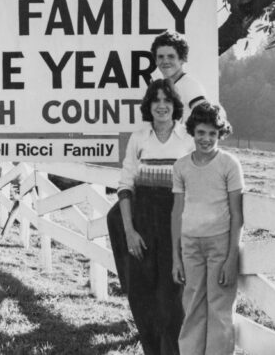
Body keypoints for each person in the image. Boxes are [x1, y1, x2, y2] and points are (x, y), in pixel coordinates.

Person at [108, 79, 194, 355]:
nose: (161, 105)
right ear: (149, 105)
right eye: (155, 100)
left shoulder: (187, 140)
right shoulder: (139, 138)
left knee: (171, 302)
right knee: (142, 298)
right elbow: (125, 186)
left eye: (167, 100)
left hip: (174, 225)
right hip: (142, 224)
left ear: (174, 105)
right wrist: (130, 231)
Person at [171, 103, 244, 355]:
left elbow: (237, 215)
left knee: (219, 310)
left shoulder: (229, 164)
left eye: (213, 133)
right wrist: (175, 257)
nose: (206, 139)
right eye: (201, 132)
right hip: (190, 244)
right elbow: (177, 213)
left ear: (220, 134)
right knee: (192, 306)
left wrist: (231, 257)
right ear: (193, 131)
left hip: (220, 245)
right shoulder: (181, 166)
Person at [151, 31, 207, 121]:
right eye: (160, 57)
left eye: (171, 56)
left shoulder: (190, 85)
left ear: (182, 59)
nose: (165, 61)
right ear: (156, 61)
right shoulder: (163, 87)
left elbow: (208, 119)